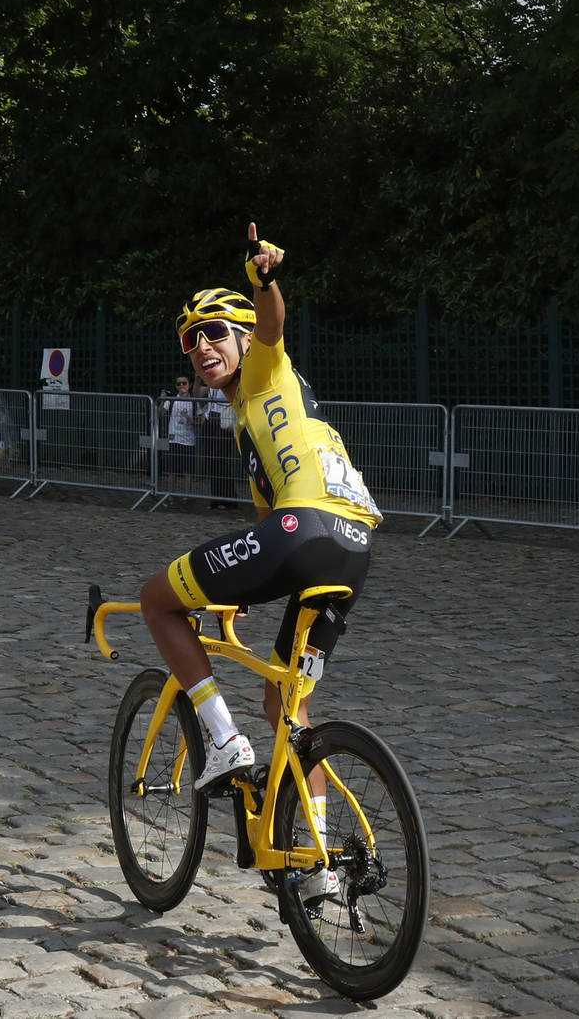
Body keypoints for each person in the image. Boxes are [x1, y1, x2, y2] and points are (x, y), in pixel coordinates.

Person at [140, 222, 381, 903]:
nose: (201, 346)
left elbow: (272, 323)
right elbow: (260, 533)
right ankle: (318, 867)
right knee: (288, 706)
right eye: (191, 339)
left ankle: (222, 741)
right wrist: (234, 591)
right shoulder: (253, 414)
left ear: (244, 339)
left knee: (157, 600)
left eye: (215, 331)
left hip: (300, 531)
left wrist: (263, 280)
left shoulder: (267, 367)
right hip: (352, 547)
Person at [192, 374, 236, 508]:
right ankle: (216, 497)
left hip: (224, 422)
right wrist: (198, 379)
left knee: (221, 460)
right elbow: (197, 394)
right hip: (210, 421)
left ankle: (228, 499)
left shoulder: (230, 380)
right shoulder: (211, 382)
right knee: (211, 460)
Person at [158, 374, 195, 498]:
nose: (181, 386)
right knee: (172, 470)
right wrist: (162, 399)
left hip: (188, 440)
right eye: (179, 384)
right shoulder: (172, 400)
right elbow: (160, 414)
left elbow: (200, 419)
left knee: (188, 471)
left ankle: (187, 496)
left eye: (184, 383)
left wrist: (192, 421)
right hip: (173, 439)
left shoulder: (194, 401)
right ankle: (170, 494)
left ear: (189, 385)